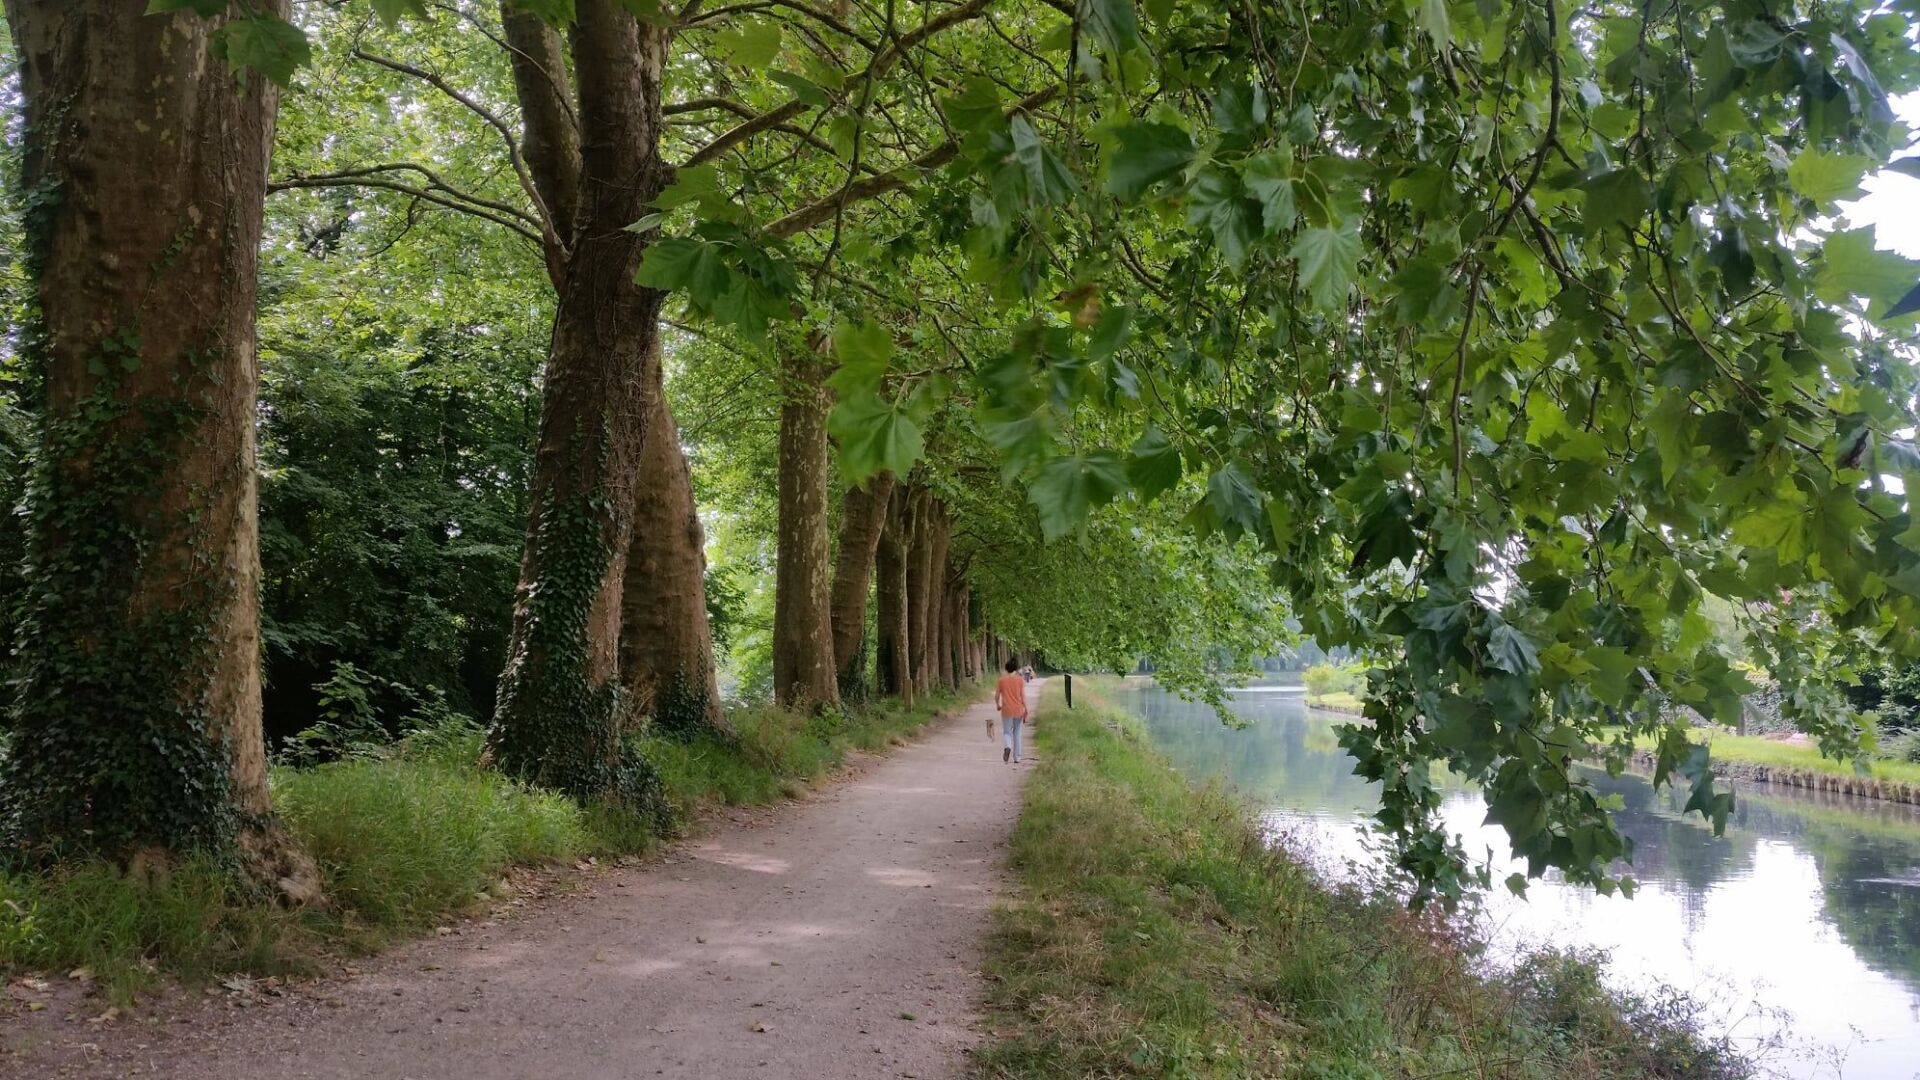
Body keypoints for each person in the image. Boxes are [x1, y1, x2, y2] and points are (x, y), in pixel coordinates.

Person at [993, 657, 1030, 764]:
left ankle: (1008, 747)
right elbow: (1023, 696)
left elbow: (997, 695)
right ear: (1016, 669)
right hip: (1018, 710)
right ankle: (1017, 757)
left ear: (1006, 669)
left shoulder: (1001, 680)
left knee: (1007, 732)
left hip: (1006, 710)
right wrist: (1026, 709)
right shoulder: (1020, 680)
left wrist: (998, 705)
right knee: (1017, 733)